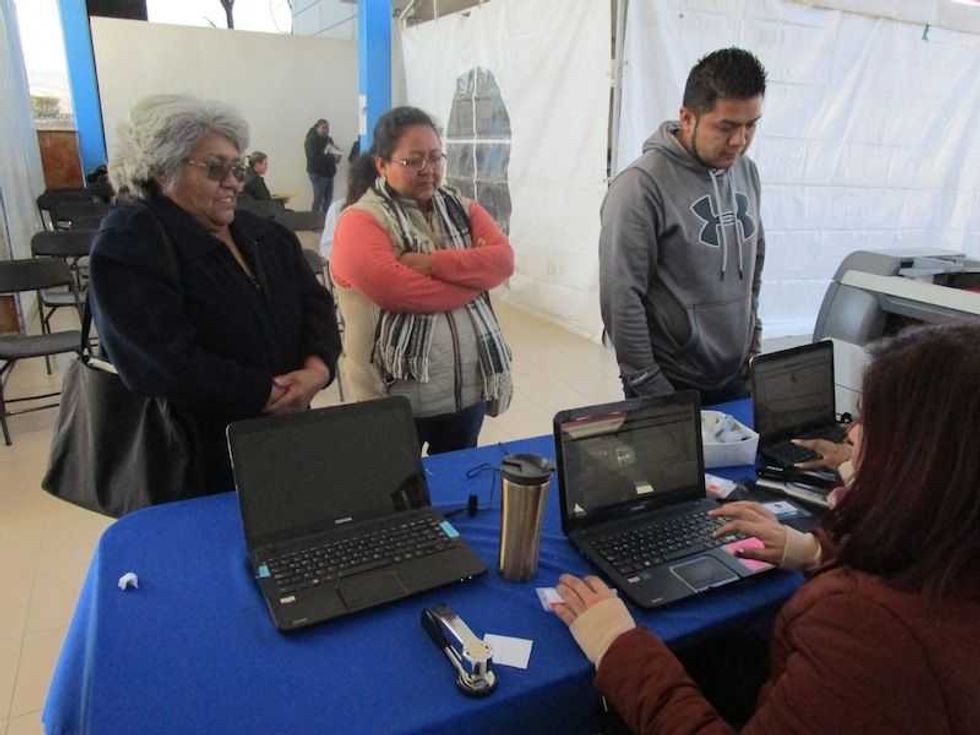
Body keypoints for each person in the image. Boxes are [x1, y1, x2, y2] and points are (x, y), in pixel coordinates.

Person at [554, 323, 980, 733]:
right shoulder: (952, 549)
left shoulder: (868, 630)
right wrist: (814, 552)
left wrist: (618, 647)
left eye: (870, 420)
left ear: (921, 462)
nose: (850, 434)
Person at [88, 94, 342, 495]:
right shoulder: (131, 240)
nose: (234, 182)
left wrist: (317, 368)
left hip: (283, 437)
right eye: (215, 168)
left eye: (237, 167)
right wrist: (265, 392)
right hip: (194, 458)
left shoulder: (264, 233)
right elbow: (160, 361)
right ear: (161, 170)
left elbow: (317, 304)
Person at [330, 106, 514, 454]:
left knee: (458, 496)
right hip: (392, 401)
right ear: (381, 165)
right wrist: (473, 279)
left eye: (435, 157)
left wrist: (431, 263)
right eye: (413, 161)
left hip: (466, 395)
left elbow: (503, 261)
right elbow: (397, 291)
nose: (429, 169)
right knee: (397, 498)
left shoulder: (460, 206)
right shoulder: (361, 219)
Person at [600, 48, 767, 405]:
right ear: (687, 118)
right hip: (669, 383)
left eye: (750, 125)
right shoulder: (640, 186)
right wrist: (649, 383)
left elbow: (755, 265)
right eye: (726, 126)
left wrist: (752, 342)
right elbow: (621, 296)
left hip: (736, 375)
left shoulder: (746, 171)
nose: (740, 141)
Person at [304, 118, 340, 214]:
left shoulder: (328, 139)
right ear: (317, 128)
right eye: (323, 128)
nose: (326, 130)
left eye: (327, 128)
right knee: (318, 199)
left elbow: (332, 153)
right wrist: (330, 157)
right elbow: (313, 158)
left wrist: (337, 155)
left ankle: (325, 221)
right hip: (318, 173)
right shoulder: (311, 140)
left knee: (328, 199)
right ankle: (314, 220)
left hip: (329, 172)